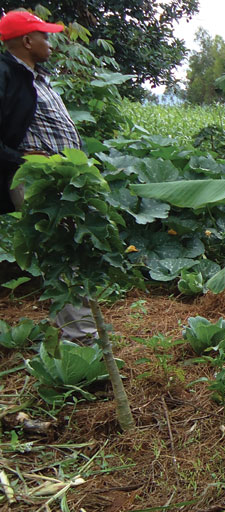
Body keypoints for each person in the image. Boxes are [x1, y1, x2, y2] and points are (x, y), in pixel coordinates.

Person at [0, 10, 95, 342]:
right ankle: (80, 340)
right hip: (35, 180)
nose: (51, 42)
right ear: (27, 41)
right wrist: (21, 157)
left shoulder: (36, 76)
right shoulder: (6, 75)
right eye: (45, 36)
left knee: (73, 251)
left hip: (61, 178)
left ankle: (78, 332)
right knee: (60, 254)